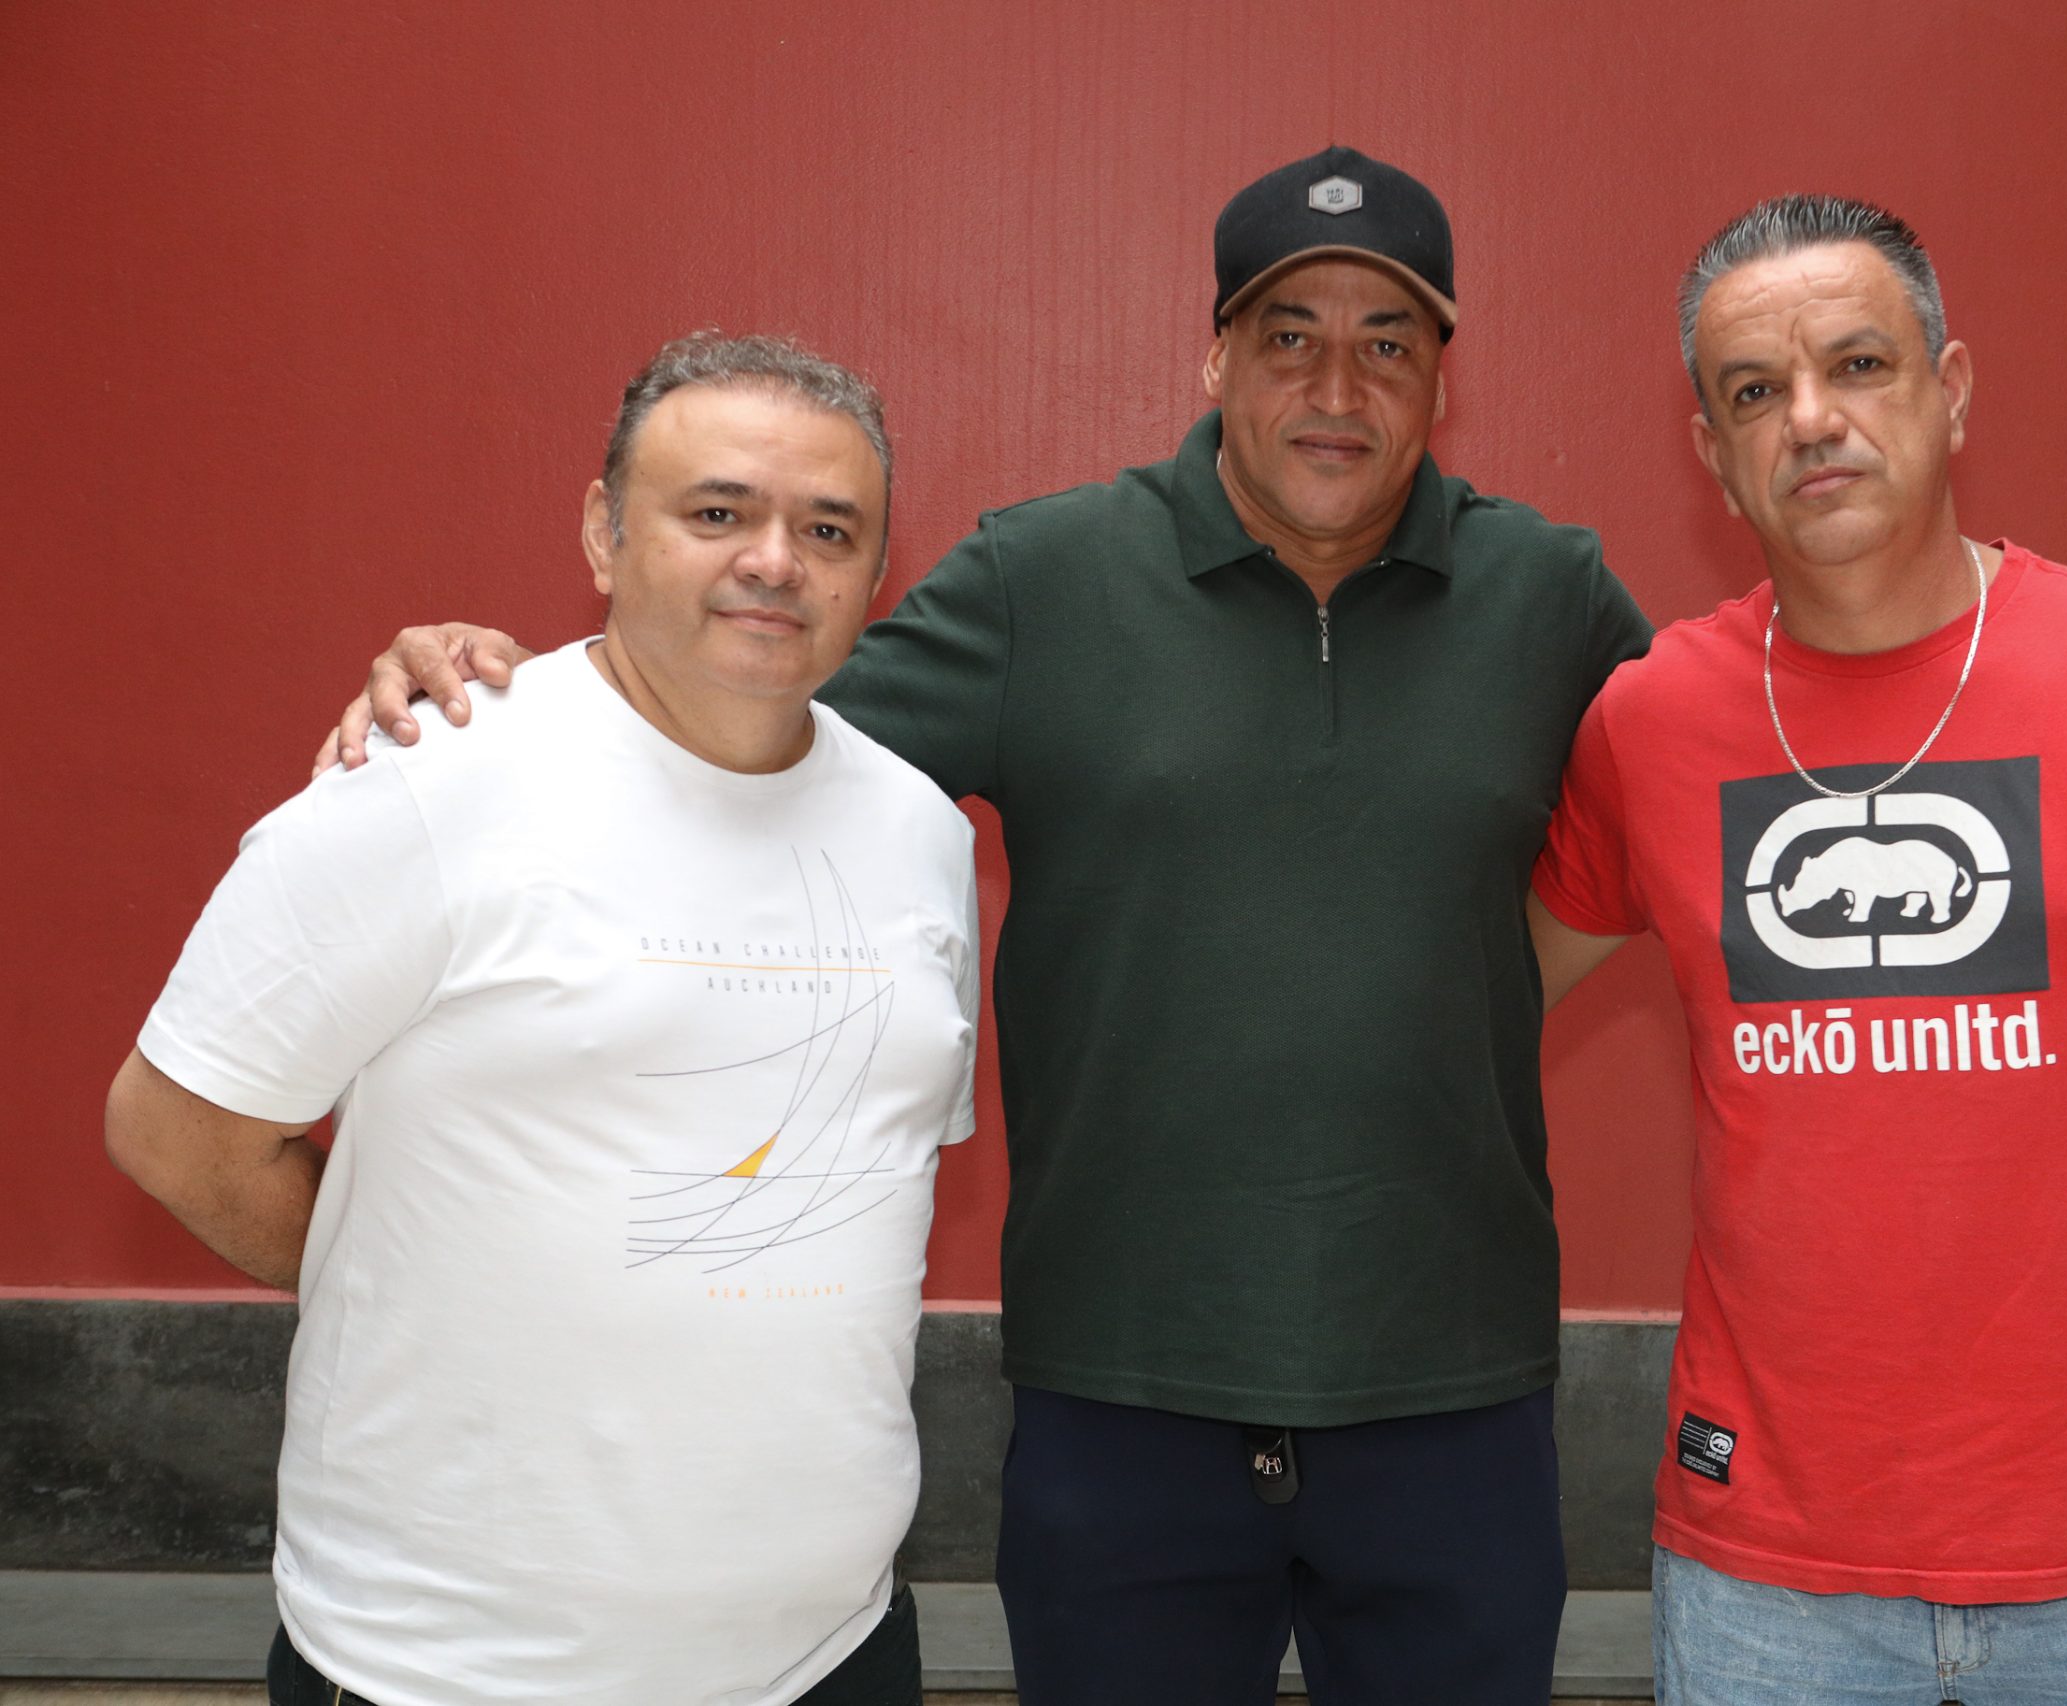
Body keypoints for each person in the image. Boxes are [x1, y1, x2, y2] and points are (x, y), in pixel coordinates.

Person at [314, 147, 1654, 1705]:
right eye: (1289, 335)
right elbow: (737, 713)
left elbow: (1708, 780)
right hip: (1120, 1390)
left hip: (1454, 1387)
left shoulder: (1549, 595)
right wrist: (501, 683)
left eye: (1387, 342)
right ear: (1216, 354)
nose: (1335, 384)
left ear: (1441, 376)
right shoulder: (1046, 576)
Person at [1529, 195, 2067, 1701]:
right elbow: (1449, 1005)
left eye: (1859, 365)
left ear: (1952, 388)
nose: (1811, 419)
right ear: (1714, 456)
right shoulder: (1647, 722)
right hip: (1761, 1572)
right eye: (1754, 393)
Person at [108, 332, 978, 1706]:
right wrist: (425, 1280)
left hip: (829, 1653)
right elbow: (176, 1129)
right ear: (601, 530)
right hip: (452, 1665)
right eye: (716, 512)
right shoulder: (428, 783)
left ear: (876, 570)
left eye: (827, 527)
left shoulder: (920, 830)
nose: (773, 558)